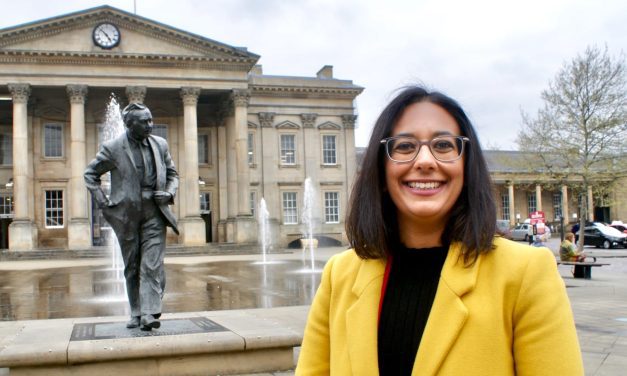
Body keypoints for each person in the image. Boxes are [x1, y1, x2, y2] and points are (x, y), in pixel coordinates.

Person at [296, 86, 583, 375]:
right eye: (405, 146)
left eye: (444, 145)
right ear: (381, 172)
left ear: (466, 167)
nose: (424, 161)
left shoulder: (526, 273)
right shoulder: (340, 275)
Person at [84, 103, 179, 331]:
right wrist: (104, 203)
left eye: (150, 120)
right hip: (126, 214)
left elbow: (173, 174)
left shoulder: (160, 144)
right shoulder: (113, 148)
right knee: (132, 267)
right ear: (129, 124)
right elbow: (90, 174)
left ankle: (148, 313)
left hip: (155, 211)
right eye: (144, 122)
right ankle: (136, 312)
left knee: (151, 264)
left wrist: (169, 192)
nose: (150, 125)